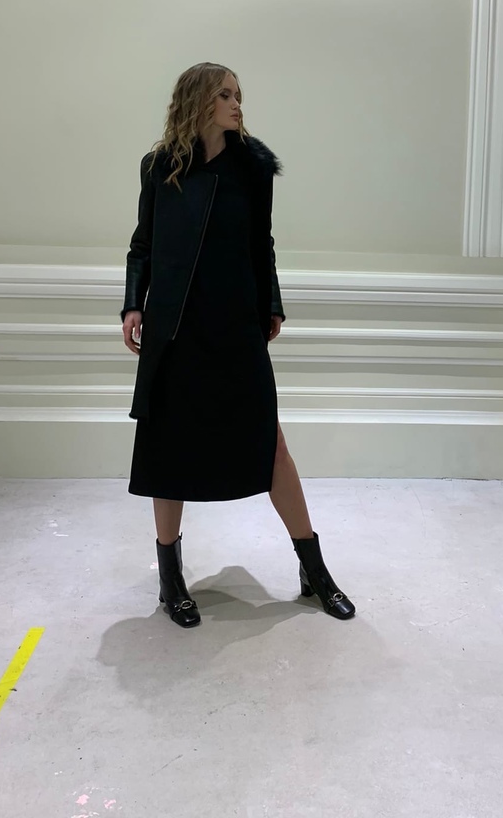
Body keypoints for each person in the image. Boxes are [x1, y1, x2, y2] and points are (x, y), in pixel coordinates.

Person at [120, 62, 355, 628]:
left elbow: (261, 243)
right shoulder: (159, 166)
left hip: (233, 325)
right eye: (225, 94)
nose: (236, 103)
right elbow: (143, 243)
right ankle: (170, 577)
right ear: (198, 100)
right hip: (175, 326)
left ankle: (314, 569)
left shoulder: (252, 167)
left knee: (269, 445)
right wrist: (133, 305)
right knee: (168, 447)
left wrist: (271, 303)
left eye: (238, 94)